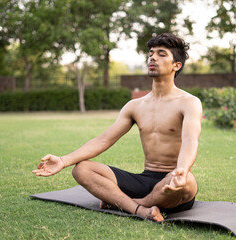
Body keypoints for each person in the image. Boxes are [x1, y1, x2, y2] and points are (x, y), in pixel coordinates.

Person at [33, 33, 203, 222]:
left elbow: (190, 140)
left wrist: (182, 170)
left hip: (173, 180)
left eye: (161, 54)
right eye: (151, 54)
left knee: (187, 182)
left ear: (176, 65)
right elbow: (104, 139)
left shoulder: (189, 102)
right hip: (144, 178)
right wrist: (64, 161)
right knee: (81, 169)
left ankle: (130, 203)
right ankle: (139, 210)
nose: (153, 57)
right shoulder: (135, 106)